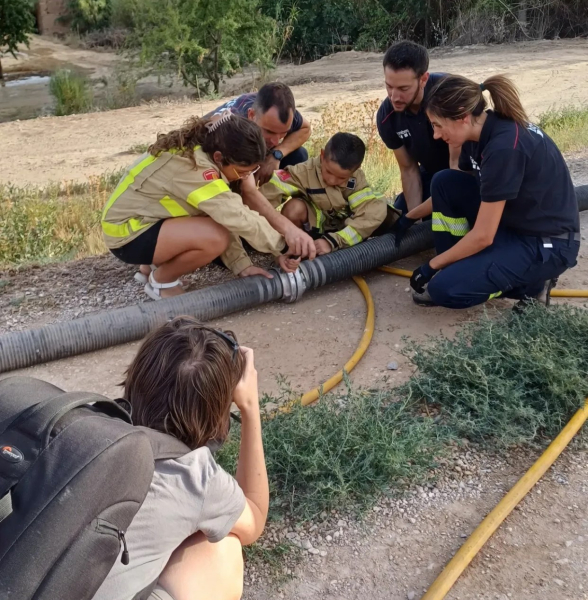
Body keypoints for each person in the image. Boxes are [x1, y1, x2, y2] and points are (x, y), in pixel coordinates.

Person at [92, 317, 267, 600]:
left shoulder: (87, 420)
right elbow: (254, 519)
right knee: (223, 549)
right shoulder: (196, 476)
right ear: (218, 410)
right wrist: (250, 408)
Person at [406, 74, 580, 309]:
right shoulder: (479, 135)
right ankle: (461, 266)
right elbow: (457, 188)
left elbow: (483, 235)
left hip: (546, 244)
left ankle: (534, 285)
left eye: (438, 125)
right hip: (515, 224)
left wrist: (431, 266)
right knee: (445, 181)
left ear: (462, 117)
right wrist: (408, 218)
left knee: (445, 290)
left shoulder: (504, 148)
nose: (436, 134)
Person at [102, 112, 302, 300]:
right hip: (126, 237)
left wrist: (242, 266)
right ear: (218, 157)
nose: (243, 178)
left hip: (134, 224)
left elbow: (220, 214)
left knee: (213, 224)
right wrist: (284, 247)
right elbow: (237, 217)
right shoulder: (196, 171)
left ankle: (149, 268)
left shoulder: (197, 152)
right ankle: (162, 282)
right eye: (242, 172)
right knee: (216, 238)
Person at [259, 132, 398, 255]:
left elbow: (369, 215)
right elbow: (264, 197)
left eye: (341, 178)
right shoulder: (303, 172)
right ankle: (298, 250)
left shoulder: (357, 180)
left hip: (346, 231)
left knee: (379, 209)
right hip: (318, 227)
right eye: (329, 171)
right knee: (293, 208)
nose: (332, 180)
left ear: (356, 169)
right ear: (322, 155)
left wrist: (333, 241)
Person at [377, 40, 461, 241]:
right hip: (430, 173)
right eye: (389, 86)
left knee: (449, 219)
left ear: (423, 79)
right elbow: (408, 169)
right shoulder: (386, 116)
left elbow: (456, 171)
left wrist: (422, 213)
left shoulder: (449, 95)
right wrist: (413, 221)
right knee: (398, 217)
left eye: (403, 88)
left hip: (466, 172)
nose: (394, 96)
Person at [210, 82, 312, 184]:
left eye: (283, 133)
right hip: (215, 155)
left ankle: (276, 194)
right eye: (269, 131)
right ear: (251, 115)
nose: (276, 142)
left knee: (299, 155)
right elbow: (248, 191)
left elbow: (305, 129)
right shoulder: (234, 129)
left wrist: (276, 154)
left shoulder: (281, 114)